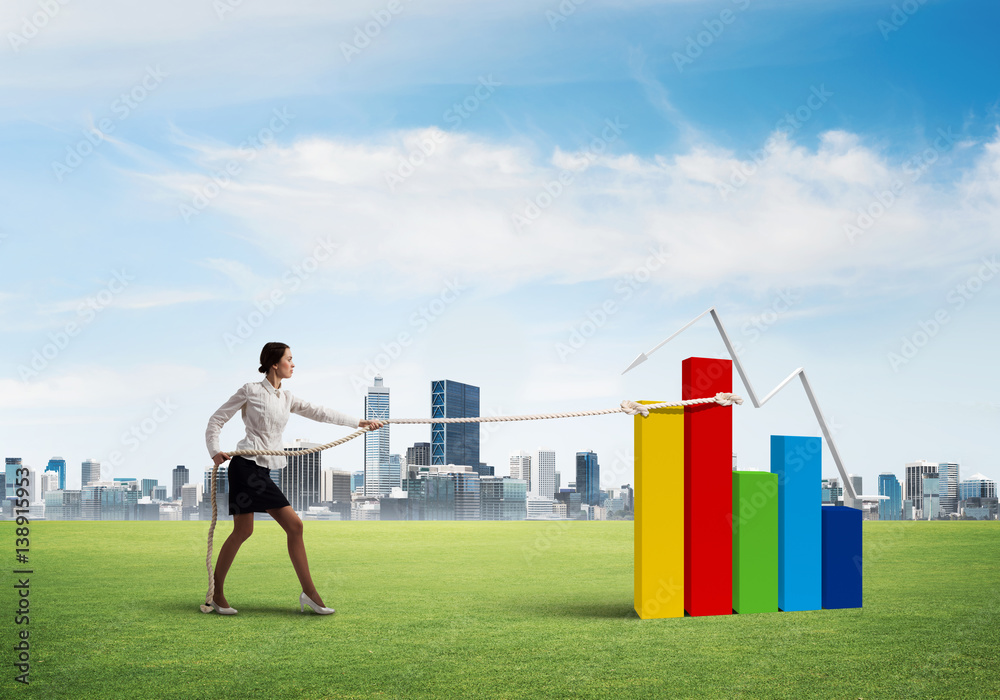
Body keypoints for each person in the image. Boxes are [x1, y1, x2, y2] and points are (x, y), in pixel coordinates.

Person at [204, 342, 383, 616]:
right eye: (290, 359)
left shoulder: (287, 398)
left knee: (246, 531)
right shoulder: (250, 391)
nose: (293, 363)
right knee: (291, 526)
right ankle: (308, 594)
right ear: (275, 363)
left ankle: (221, 594)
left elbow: (322, 413)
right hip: (245, 467)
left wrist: (360, 422)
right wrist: (215, 451)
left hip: (262, 470)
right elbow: (216, 420)